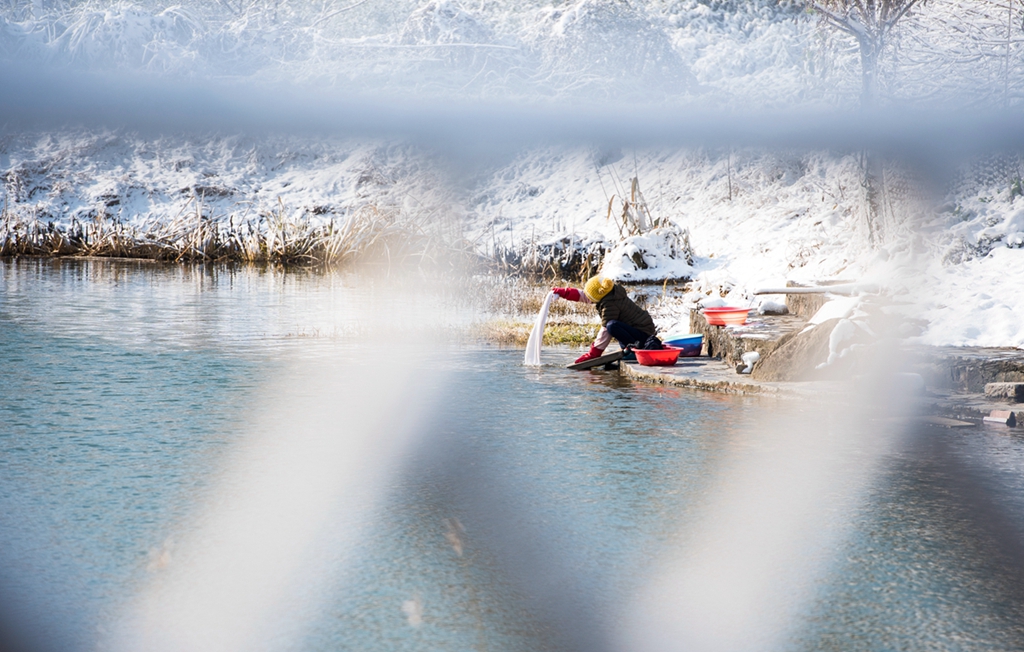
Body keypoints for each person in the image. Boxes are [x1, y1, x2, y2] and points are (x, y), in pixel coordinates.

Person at [552, 276, 661, 364]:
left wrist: (593, 353)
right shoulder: (609, 293)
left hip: (644, 335)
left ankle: (634, 349)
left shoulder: (610, 305)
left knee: (611, 325)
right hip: (638, 329)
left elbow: (605, 332)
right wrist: (563, 292)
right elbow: (585, 295)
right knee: (613, 325)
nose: (587, 298)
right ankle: (629, 348)